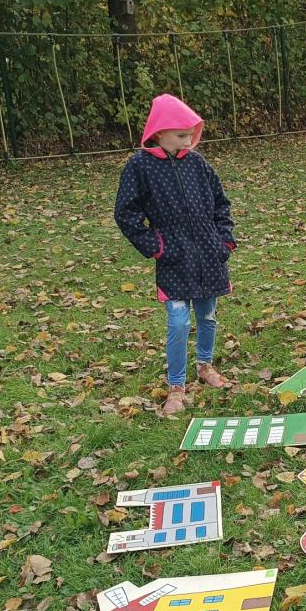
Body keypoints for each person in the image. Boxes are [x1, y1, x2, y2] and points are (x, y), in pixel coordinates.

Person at [115, 93, 236, 418]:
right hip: (173, 260)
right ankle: (176, 386)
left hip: (209, 257)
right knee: (179, 322)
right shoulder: (140, 166)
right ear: (158, 133)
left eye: (190, 135)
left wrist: (224, 240)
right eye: (181, 135)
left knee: (207, 315)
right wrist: (156, 246)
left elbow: (221, 203)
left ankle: (205, 365)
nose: (188, 142)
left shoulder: (197, 163)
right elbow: (126, 213)